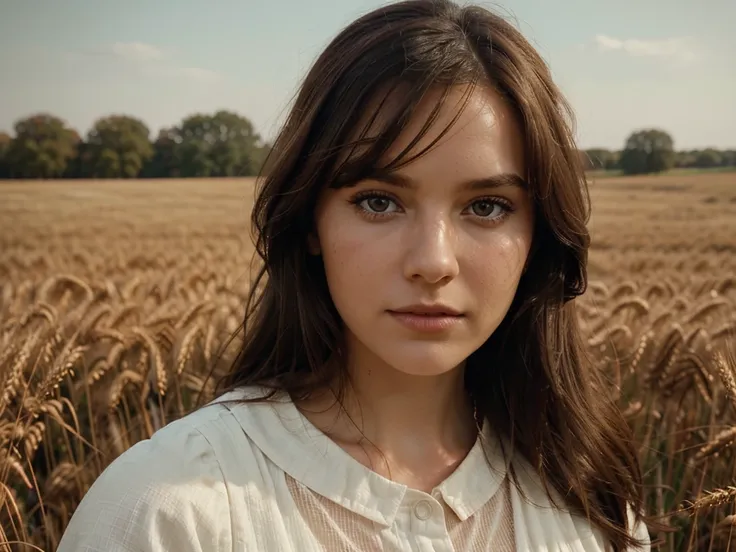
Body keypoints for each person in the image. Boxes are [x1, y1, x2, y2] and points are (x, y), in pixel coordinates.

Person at [57, 1, 653, 550]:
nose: (433, 262)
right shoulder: (165, 511)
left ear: (538, 235)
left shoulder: (593, 506)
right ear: (310, 220)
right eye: (378, 201)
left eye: (487, 206)